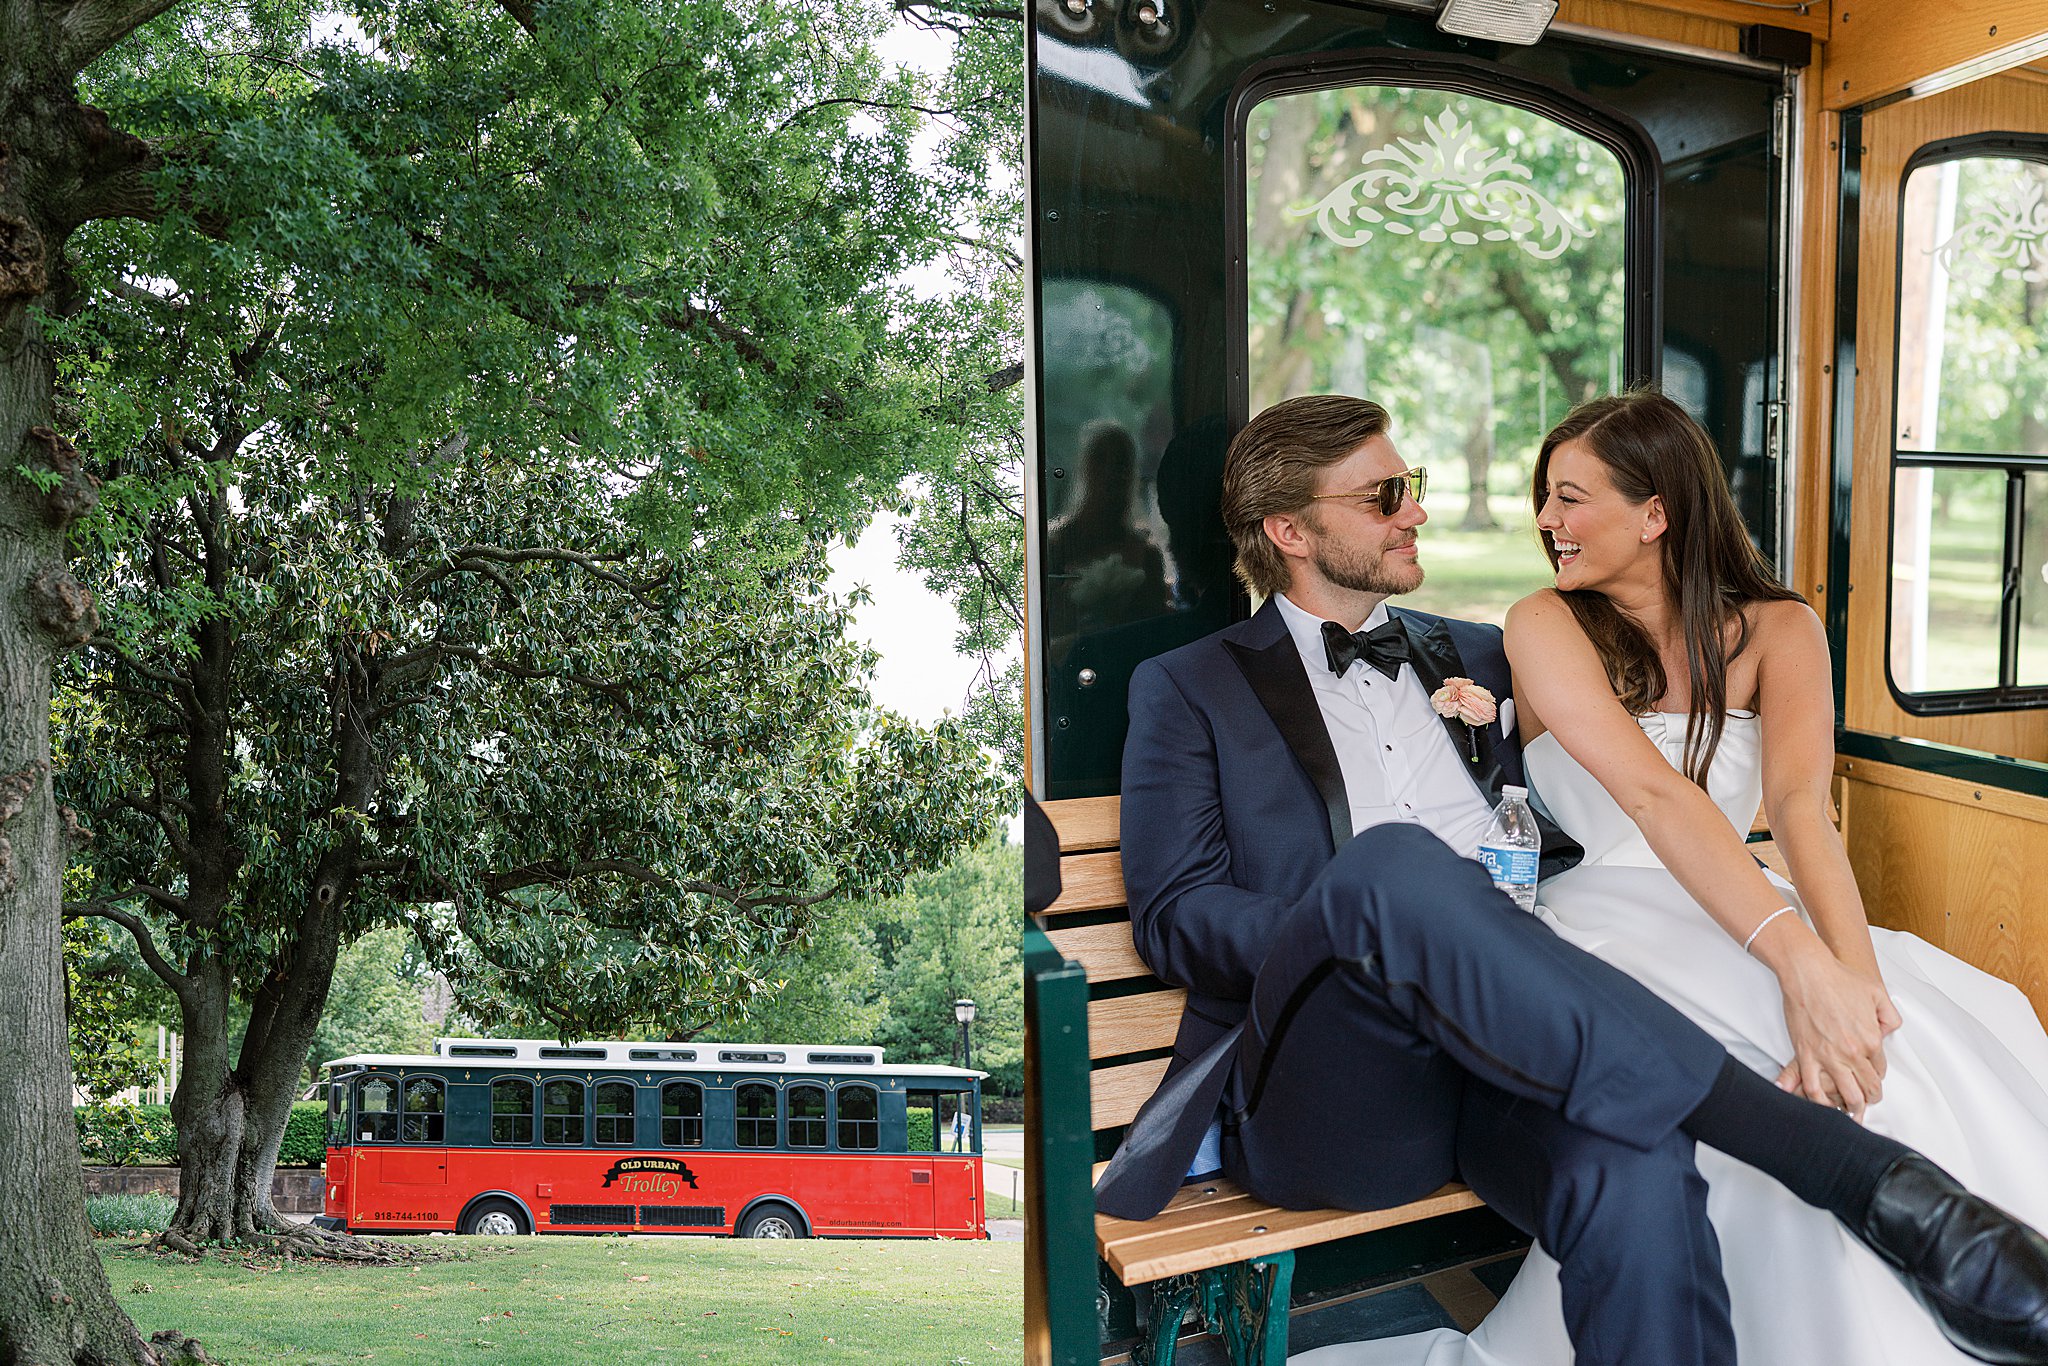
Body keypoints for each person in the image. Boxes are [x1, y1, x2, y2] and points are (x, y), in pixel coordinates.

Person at [1094, 392, 2048, 1366]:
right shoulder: (1190, 686)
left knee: (1636, 1159)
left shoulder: (1479, 653)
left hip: (1514, 1047)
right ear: (1289, 531)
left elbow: (1625, 805)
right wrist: (1374, 926)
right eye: (1383, 497)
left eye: (1409, 486)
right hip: (1342, 1076)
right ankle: (1853, 1172)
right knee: (1397, 867)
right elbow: (1175, 917)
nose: (1416, 511)